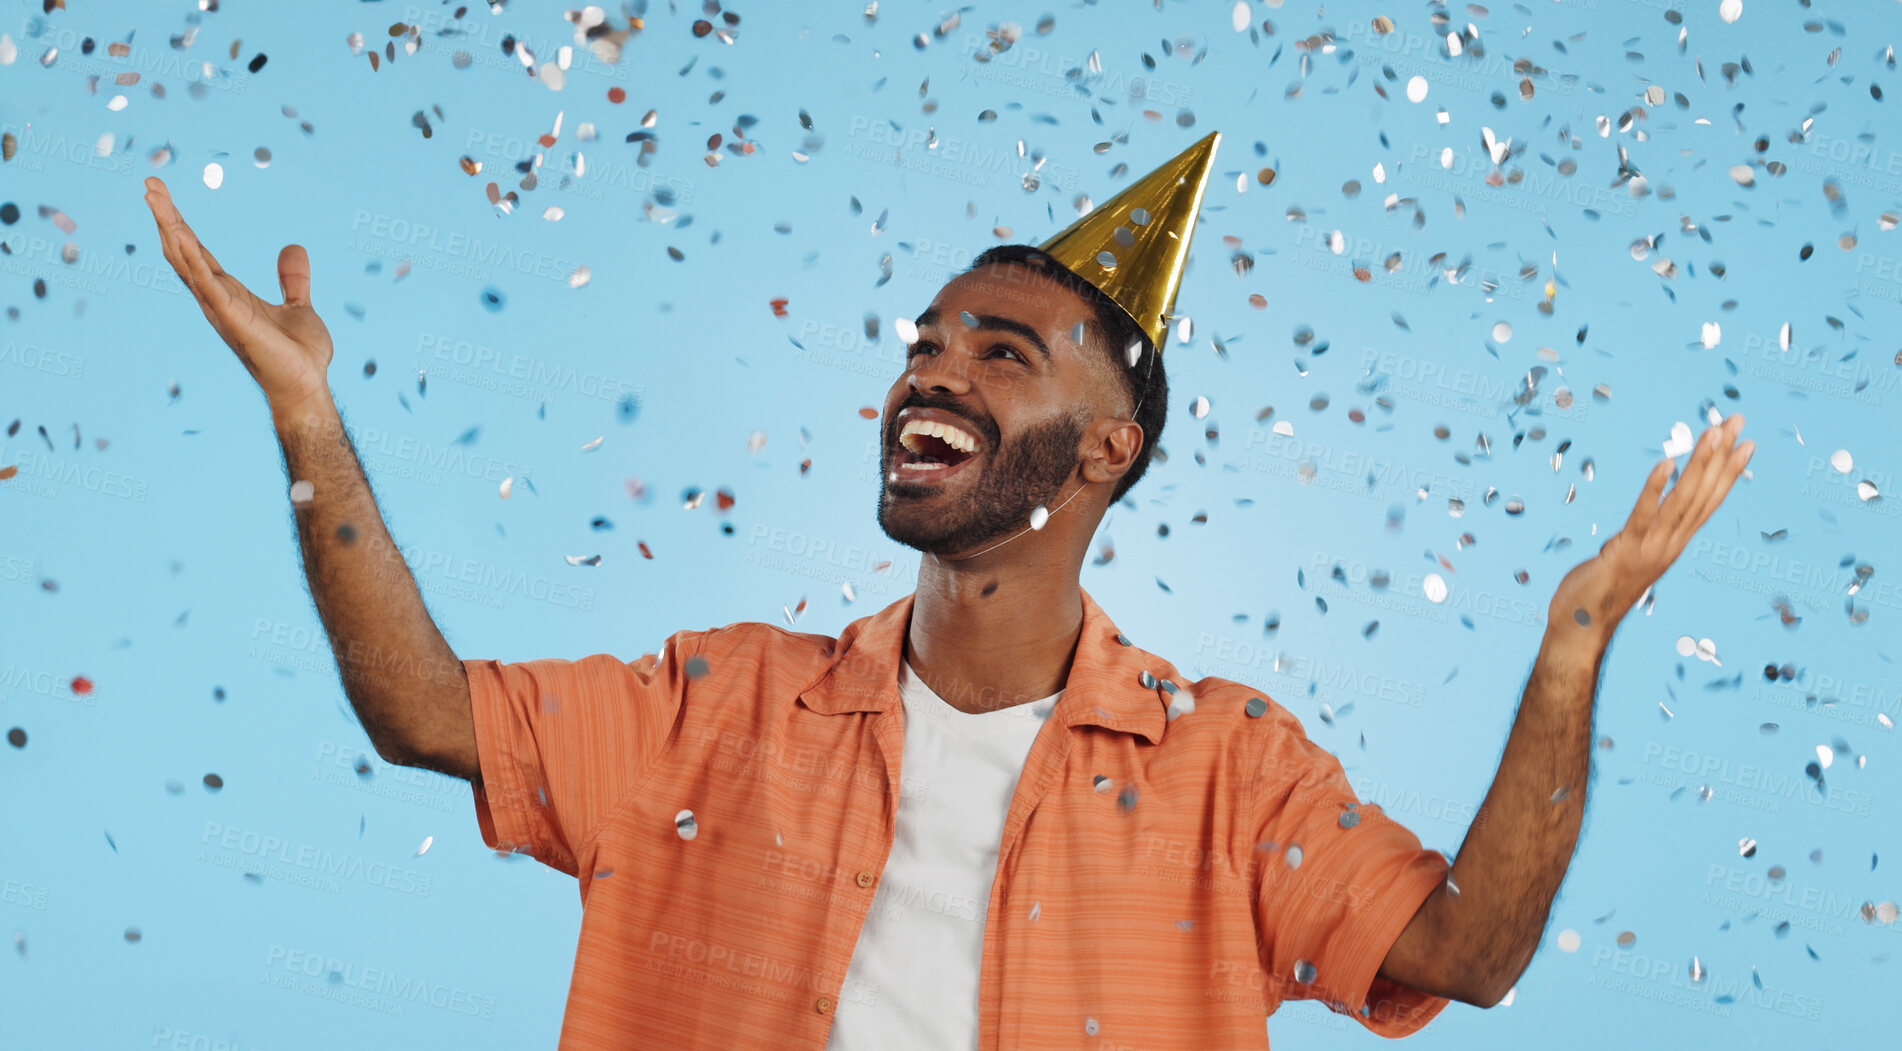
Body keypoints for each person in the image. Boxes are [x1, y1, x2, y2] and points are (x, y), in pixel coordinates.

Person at [140, 131, 1754, 1050]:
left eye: (998, 352)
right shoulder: (717, 706)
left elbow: (1464, 957)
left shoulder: (1229, 771)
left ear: (1103, 449)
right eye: (922, 342)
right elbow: (424, 713)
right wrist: (308, 424)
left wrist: (1568, 656)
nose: (933, 368)